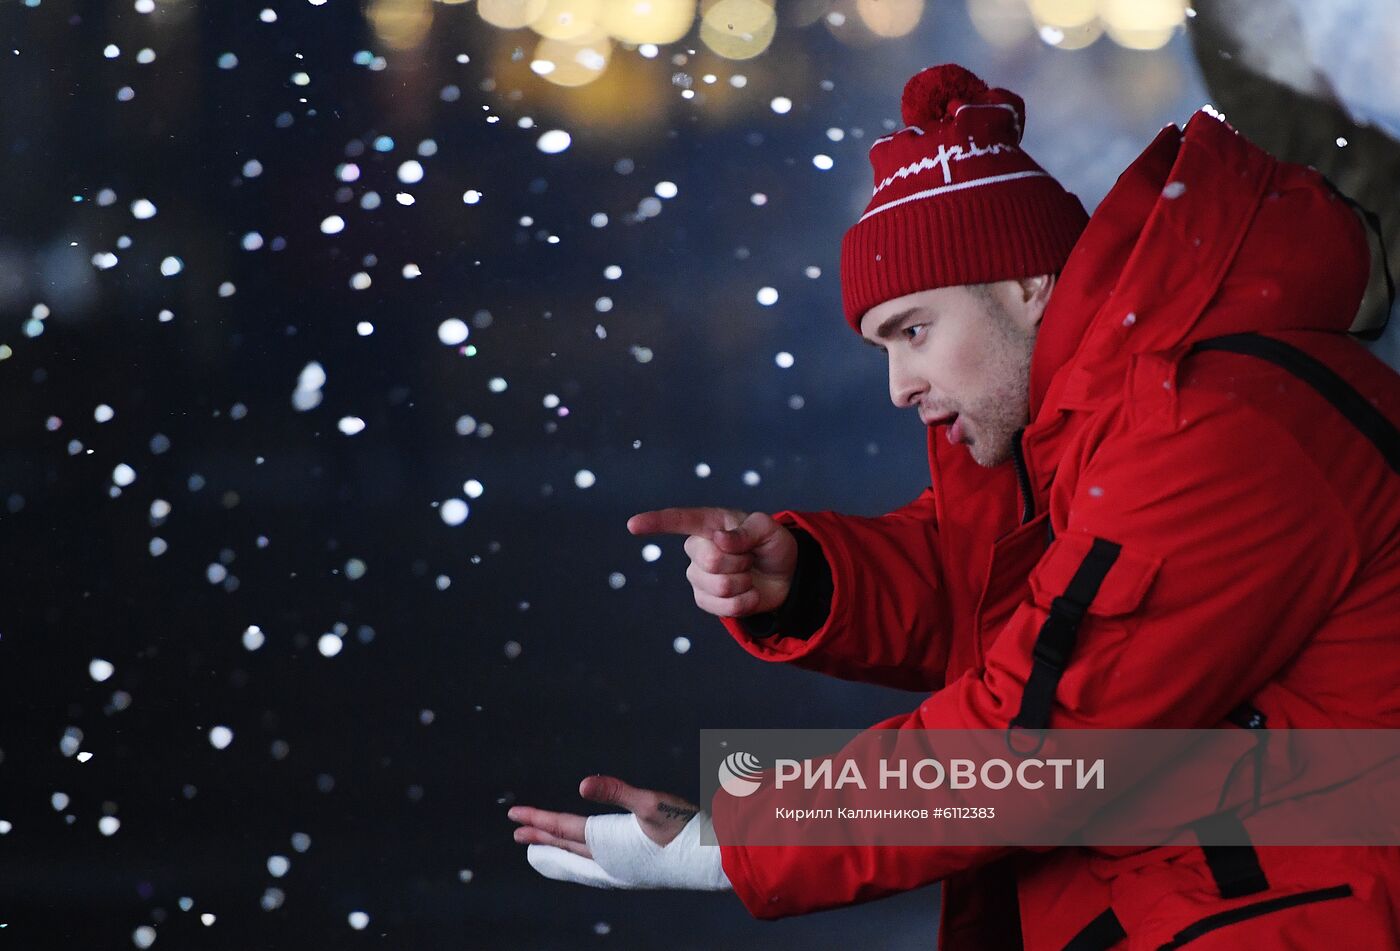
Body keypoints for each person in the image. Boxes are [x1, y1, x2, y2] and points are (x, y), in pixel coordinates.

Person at [510, 64, 1400, 949]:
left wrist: (730, 841)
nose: (899, 386)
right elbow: (1030, 589)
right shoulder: (1118, 414)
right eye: (882, 347)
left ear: (1025, 284)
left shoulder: (1211, 429)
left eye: (915, 329)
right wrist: (814, 579)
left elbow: (1042, 736)